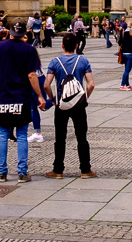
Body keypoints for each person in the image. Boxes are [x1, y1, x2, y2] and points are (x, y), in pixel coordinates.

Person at [0, 22, 46, 182]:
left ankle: (1, 172)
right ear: (24, 32)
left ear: (11, 32)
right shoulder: (29, 49)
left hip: (4, 96)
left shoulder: (0, 47)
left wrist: (0, 74)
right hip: (22, 96)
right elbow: (32, 75)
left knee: (3, 133)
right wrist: (39, 95)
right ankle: (22, 172)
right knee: (22, 134)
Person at [43, 33, 97, 180]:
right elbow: (91, 84)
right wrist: (85, 97)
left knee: (60, 138)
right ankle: (85, 170)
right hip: (79, 105)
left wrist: (53, 99)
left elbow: (46, 85)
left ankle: (58, 170)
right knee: (82, 138)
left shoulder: (55, 62)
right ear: (76, 46)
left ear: (62, 45)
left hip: (61, 105)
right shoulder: (83, 61)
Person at [117, 18, 132, 90]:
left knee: (126, 70)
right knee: (127, 71)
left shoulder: (123, 33)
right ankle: (122, 85)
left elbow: (119, 43)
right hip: (131, 54)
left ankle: (127, 84)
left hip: (124, 54)